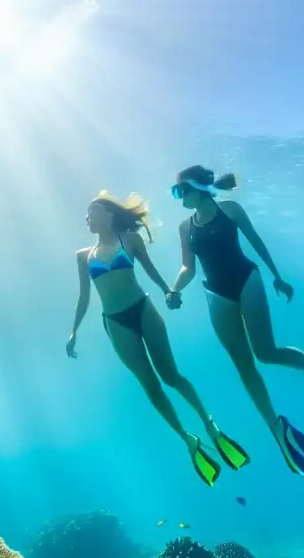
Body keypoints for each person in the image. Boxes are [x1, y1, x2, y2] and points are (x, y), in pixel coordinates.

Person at [166, 166, 304, 475]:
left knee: (265, 352)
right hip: (215, 293)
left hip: (246, 279)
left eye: (179, 191)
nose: (177, 198)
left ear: (194, 188)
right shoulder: (184, 227)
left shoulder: (229, 209)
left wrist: (278, 278)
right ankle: (277, 427)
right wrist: (175, 289)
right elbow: (187, 267)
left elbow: (255, 242)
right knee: (243, 364)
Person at [67, 191, 249, 486]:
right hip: (115, 321)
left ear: (109, 215)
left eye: (93, 210)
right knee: (149, 384)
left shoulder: (131, 240)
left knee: (170, 375)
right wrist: (74, 330)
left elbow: (150, 270)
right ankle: (188, 439)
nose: (87, 216)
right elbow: (84, 296)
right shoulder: (83, 257)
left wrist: (168, 290)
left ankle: (209, 425)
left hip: (143, 310)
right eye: (87, 213)